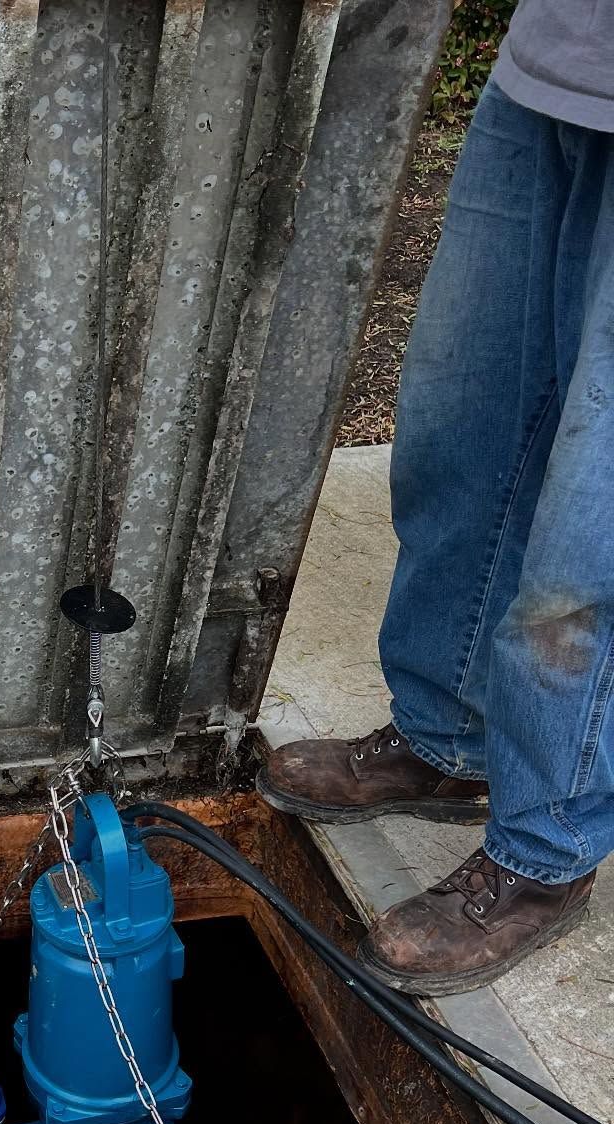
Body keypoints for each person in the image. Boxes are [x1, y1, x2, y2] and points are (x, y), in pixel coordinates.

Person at [259, 0, 613, 996]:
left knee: (591, 527)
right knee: (464, 423)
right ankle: (449, 735)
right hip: (555, 57)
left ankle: (546, 852)